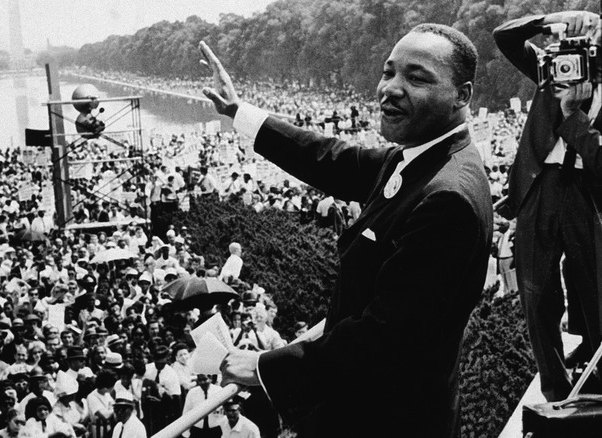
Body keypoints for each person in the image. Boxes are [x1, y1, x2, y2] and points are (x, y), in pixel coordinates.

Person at [201, 22, 493, 438]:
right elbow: (328, 158)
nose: (390, 87)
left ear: (461, 95)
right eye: (388, 71)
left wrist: (265, 366)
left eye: (417, 77)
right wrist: (238, 112)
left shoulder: (448, 198)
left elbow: (383, 336)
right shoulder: (420, 157)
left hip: (386, 419)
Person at [494, 11, 602, 402]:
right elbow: (504, 37)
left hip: (586, 192)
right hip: (538, 185)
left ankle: (594, 374)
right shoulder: (551, 65)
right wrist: (555, 20)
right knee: (537, 295)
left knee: (593, 292)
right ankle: (555, 386)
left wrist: (573, 115)